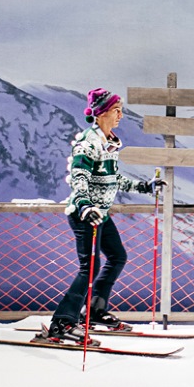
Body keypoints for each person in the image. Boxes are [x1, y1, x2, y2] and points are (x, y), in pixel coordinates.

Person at [35, 88, 163, 345]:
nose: (120, 116)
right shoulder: (88, 143)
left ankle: (93, 311)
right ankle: (62, 323)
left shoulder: (109, 142)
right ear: (102, 112)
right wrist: (84, 205)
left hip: (100, 214)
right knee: (89, 269)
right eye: (117, 110)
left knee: (117, 257)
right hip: (86, 215)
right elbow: (79, 177)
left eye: (121, 111)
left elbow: (113, 179)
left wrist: (143, 187)